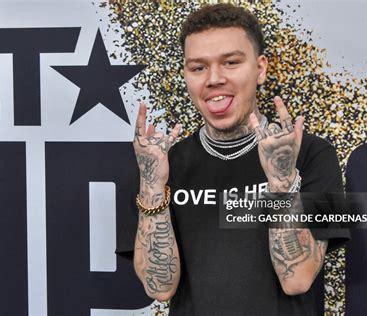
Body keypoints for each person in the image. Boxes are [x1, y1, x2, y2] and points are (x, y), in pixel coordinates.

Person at [117, 3, 349, 315]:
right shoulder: (160, 164)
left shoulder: (313, 153)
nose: (213, 79)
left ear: (260, 68)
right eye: (198, 67)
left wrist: (282, 183)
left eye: (230, 62)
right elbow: (159, 288)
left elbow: (299, 279)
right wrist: (153, 186)